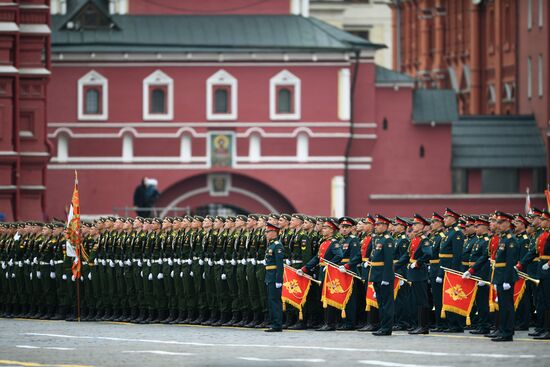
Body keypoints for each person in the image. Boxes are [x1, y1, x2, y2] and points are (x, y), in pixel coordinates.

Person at [368, 215, 395, 336]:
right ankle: (382, 325)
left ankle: (387, 328)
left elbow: (389, 261)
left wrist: (386, 278)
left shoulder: (388, 240)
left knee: (386, 303)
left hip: (384, 276)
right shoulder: (378, 239)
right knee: (381, 302)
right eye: (376, 224)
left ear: (385, 226)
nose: (376, 226)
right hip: (376, 275)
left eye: (379, 225)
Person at [264, 223, 284, 332]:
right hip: (269, 276)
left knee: (275, 301)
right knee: (271, 300)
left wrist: (278, 280)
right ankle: (273, 323)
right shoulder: (271, 245)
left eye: (268, 232)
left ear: (274, 233)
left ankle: (277, 324)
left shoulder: (277, 245)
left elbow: (279, 265)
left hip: (274, 277)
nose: (266, 234)